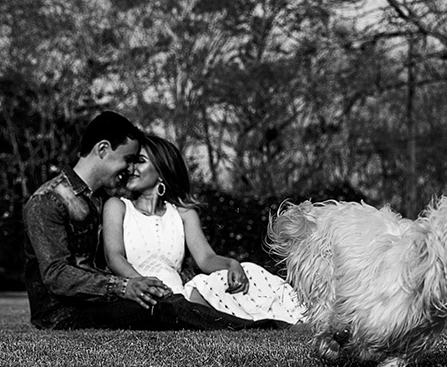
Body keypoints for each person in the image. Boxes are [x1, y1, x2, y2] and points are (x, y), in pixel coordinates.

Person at [23, 110, 283, 331]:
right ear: (102, 149)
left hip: (96, 300)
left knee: (158, 302)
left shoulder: (99, 199)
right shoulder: (47, 200)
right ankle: (248, 327)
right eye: (127, 159)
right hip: (62, 313)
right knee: (158, 306)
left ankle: (254, 318)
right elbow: (56, 275)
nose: (129, 170)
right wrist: (124, 286)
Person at [102, 134, 305, 325]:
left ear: (161, 171)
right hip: (138, 295)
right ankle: (261, 323)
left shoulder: (182, 214)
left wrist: (232, 265)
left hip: (179, 296)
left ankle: (300, 317)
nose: (130, 168)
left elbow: (206, 258)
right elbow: (114, 256)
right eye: (131, 161)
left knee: (249, 272)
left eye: (140, 161)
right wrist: (142, 284)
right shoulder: (117, 207)